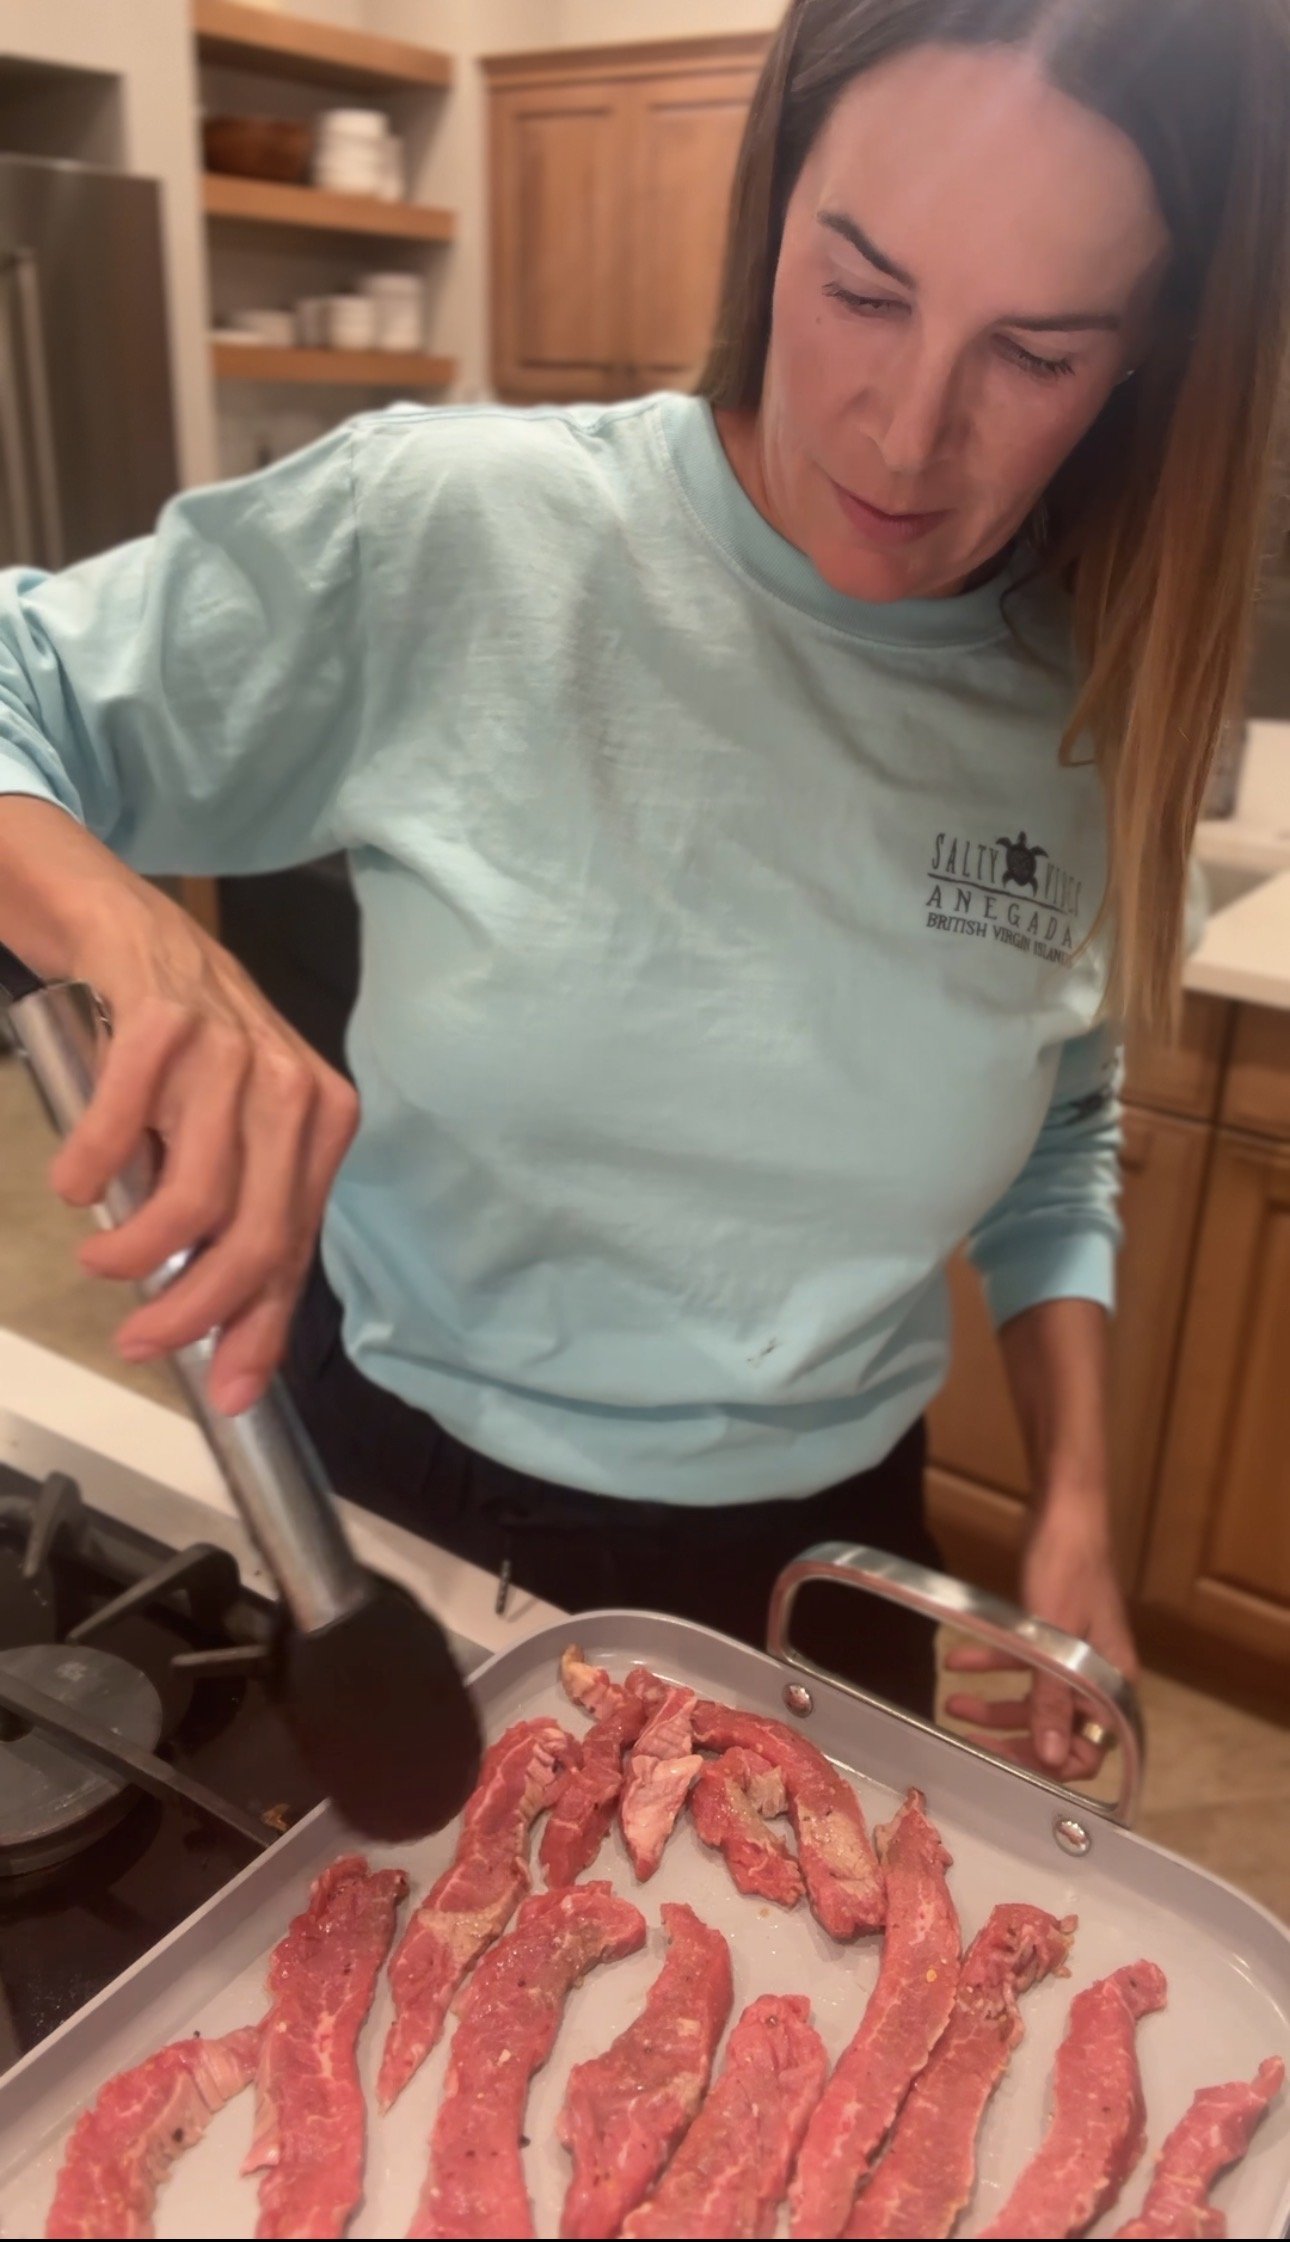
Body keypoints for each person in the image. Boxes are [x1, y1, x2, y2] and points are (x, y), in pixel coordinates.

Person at [0, 0, 1285, 1769]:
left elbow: (1057, 1096)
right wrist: (131, 928)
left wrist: (1073, 1498)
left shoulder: (1093, 695)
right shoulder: (461, 530)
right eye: (861, 286)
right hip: (406, 1518)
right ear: (775, 201)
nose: (907, 436)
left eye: (1036, 354)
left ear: (1146, 352)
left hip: (832, 1568)